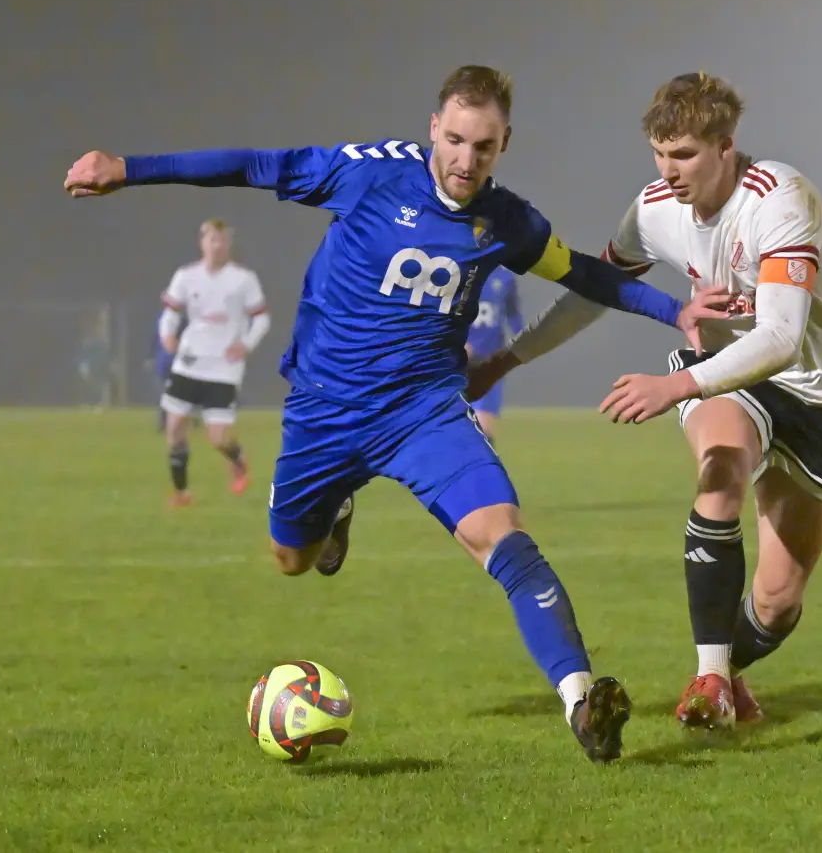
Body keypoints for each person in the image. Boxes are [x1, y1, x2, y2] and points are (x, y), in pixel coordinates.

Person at [64, 64, 732, 763]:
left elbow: (586, 275)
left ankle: (581, 703)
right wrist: (127, 169)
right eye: (454, 140)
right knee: (292, 559)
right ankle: (336, 508)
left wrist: (674, 309)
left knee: (503, 538)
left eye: (484, 146)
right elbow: (256, 166)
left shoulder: (507, 221)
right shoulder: (370, 173)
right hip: (324, 412)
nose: (465, 160)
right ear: (432, 130)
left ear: (504, 145)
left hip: (425, 413)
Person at [468, 72, 822, 730]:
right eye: (658, 154)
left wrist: (675, 386)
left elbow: (779, 336)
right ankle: (711, 682)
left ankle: (720, 672)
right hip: (723, 376)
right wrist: (506, 360)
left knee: (776, 602)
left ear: (726, 146)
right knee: (721, 470)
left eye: (682, 154)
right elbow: (591, 292)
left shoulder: (780, 199)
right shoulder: (654, 208)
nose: (668, 171)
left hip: (813, 388)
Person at [156, 219, 271, 506]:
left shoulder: (243, 279)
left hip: (224, 367)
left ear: (228, 244)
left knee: (217, 437)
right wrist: (167, 334)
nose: (216, 245)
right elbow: (170, 312)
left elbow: (262, 318)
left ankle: (238, 458)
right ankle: (182, 493)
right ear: (202, 242)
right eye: (211, 240)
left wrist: (244, 344)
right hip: (190, 361)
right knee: (174, 427)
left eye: (221, 240)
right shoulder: (186, 276)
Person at [463, 264, 525, 441]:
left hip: (489, 364)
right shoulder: (458, 270)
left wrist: (522, 342)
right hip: (457, 362)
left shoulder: (505, 277)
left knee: (484, 428)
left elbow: (513, 314)